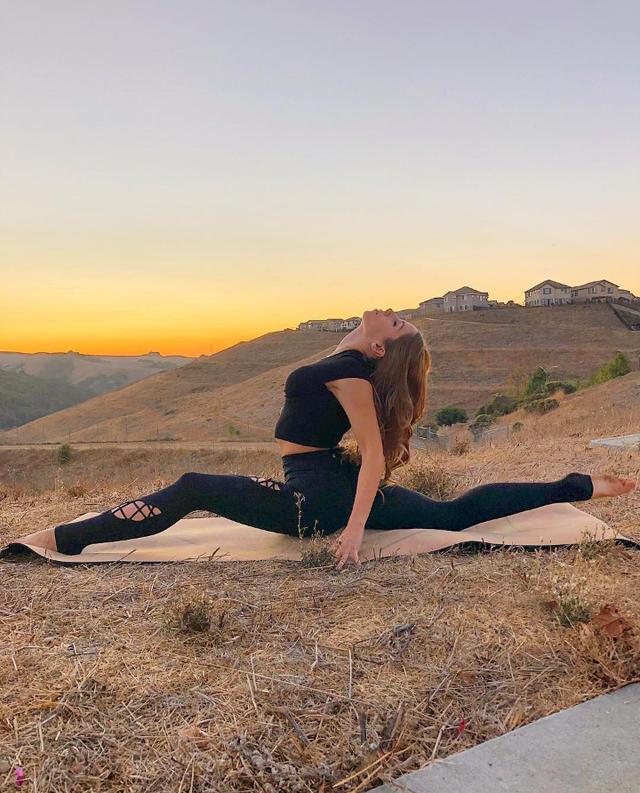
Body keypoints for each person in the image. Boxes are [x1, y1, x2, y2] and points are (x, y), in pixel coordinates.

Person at [25, 308, 637, 567]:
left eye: (395, 323)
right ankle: (581, 486)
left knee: (192, 487)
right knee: (453, 515)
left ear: (380, 346)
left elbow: (373, 452)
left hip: (320, 494)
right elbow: (356, 402)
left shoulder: (349, 375)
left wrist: (350, 533)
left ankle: (64, 540)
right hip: (330, 483)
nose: (386, 311)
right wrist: (361, 339)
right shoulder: (347, 362)